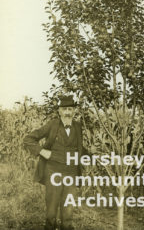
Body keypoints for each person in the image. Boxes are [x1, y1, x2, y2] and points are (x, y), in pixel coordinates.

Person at [24, 95, 83, 230]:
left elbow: (79, 147)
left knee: (68, 210)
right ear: (59, 111)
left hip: (71, 173)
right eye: (64, 109)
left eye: (70, 109)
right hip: (53, 172)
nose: (67, 112)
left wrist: (92, 155)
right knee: (51, 210)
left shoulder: (78, 126)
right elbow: (28, 139)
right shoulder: (53, 124)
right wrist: (41, 151)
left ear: (74, 111)